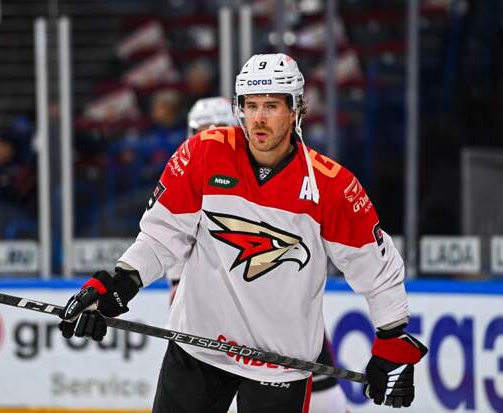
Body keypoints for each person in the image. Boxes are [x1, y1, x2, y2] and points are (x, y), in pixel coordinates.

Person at [59, 53, 428, 412]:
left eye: (271, 106)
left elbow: (377, 269)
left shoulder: (331, 186)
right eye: (251, 106)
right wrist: (117, 285)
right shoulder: (204, 153)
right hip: (199, 346)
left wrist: (392, 340)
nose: (259, 118)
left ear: (296, 110)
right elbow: (161, 238)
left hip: (280, 362)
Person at [174, 96, 350, 412]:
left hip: (278, 332)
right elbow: (169, 247)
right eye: (202, 131)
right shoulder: (189, 179)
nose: (209, 138)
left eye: (217, 129)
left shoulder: (278, 176)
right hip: (221, 331)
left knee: (326, 400)